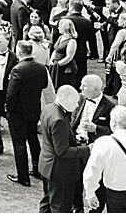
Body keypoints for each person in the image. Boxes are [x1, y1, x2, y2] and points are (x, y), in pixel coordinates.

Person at [38, 85, 92, 213]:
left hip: (47, 166)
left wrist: (74, 139)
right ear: (63, 99)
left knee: (46, 203)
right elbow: (62, 151)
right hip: (60, 172)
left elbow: (53, 137)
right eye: (74, 102)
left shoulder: (48, 108)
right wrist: (88, 149)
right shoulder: (59, 120)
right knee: (60, 208)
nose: (77, 105)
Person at [4, 40, 47, 186]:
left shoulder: (17, 69)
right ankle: (38, 170)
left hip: (18, 112)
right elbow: (45, 85)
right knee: (33, 139)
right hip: (34, 109)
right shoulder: (41, 67)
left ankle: (23, 177)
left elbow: (11, 94)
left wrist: (8, 109)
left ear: (19, 51)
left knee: (19, 143)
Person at [49, 18, 78, 90]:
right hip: (55, 65)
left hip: (65, 68)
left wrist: (58, 64)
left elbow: (69, 57)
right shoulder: (61, 37)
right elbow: (56, 50)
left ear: (65, 28)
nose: (58, 28)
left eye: (60, 26)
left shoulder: (71, 41)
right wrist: (51, 60)